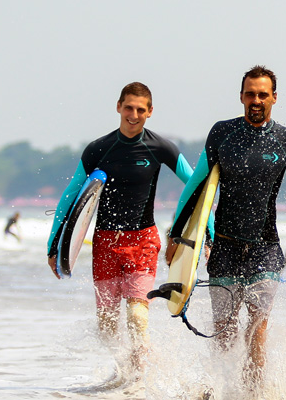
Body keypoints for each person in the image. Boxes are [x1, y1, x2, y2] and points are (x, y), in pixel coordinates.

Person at [168, 66, 286, 386]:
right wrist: (178, 235)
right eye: (250, 94)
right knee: (225, 331)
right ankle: (224, 388)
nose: (256, 100)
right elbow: (196, 186)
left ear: (274, 97)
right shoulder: (222, 133)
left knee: (258, 327)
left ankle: (254, 391)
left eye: (262, 94)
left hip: (266, 248)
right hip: (225, 247)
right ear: (241, 96)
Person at [46, 82, 193, 371]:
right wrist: (55, 245)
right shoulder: (98, 149)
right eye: (129, 107)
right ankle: (126, 375)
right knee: (107, 326)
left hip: (143, 240)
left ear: (150, 112)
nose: (133, 115)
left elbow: (196, 186)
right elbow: (70, 197)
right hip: (104, 243)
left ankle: (143, 378)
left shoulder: (160, 148)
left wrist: (205, 232)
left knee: (138, 317)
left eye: (141, 109)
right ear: (118, 107)